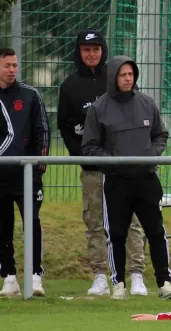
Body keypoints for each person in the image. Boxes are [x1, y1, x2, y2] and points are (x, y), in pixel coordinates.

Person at [57, 28, 147, 296]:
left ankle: (136, 274)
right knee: (94, 221)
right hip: (93, 169)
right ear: (79, 52)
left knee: (131, 220)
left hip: (123, 168)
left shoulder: (118, 76)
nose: (92, 54)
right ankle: (99, 275)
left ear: (103, 50)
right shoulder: (70, 86)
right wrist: (82, 155)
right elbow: (64, 125)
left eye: (96, 49)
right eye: (86, 50)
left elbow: (134, 114)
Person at [82, 55, 171, 300]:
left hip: (146, 179)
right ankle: (119, 284)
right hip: (116, 182)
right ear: (114, 77)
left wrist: (150, 155)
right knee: (116, 234)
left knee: (156, 232)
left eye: (131, 74)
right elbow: (90, 146)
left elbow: (160, 135)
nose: (128, 78)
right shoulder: (98, 108)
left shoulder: (147, 103)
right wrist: (113, 161)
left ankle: (164, 282)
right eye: (123, 74)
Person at [0, 47, 50, 297]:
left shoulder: (30, 95)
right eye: (7, 65)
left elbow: (43, 130)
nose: (12, 70)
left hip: (26, 175)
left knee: (33, 223)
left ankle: (35, 275)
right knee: (1, 226)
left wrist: (40, 161)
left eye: (15, 65)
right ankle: (9, 276)